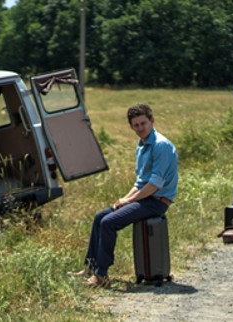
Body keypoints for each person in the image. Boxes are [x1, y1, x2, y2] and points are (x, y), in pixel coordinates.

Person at [70, 103, 178, 287]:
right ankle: (90, 267)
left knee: (108, 222)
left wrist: (128, 200)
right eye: (135, 125)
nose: (140, 128)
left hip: (157, 202)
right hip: (146, 198)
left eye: (143, 123)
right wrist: (123, 200)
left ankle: (101, 276)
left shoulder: (161, 146)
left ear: (152, 121)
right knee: (100, 217)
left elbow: (154, 185)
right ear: (131, 127)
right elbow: (140, 182)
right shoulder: (142, 145)